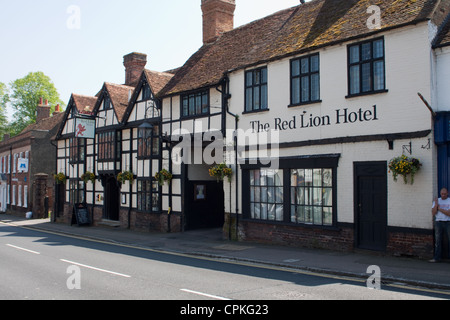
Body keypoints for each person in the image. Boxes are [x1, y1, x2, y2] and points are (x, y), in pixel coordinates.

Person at [430, 188, 450, 262]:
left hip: (448, 222)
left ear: (447, 193)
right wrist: (436, 205)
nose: (443, 195)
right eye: (442, 194)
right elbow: (433, 213)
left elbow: (449, 213)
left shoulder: (449, 201)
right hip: (438, 222)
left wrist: (440, 208)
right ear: (440, 193)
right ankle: (437, 257)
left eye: (445, 194)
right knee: (438, 240)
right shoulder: (437, 201)